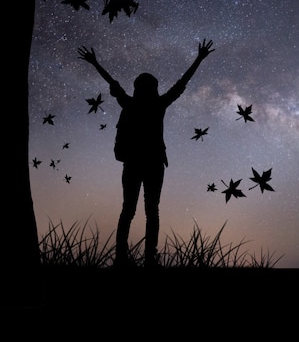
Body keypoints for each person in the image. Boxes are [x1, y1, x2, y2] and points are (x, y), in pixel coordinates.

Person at [78, 39, 215, 267]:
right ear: (153, 89)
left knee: (129, 210)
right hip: (152, 164)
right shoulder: (158, 105)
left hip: (133, 163)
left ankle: (123, 257)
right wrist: (199, 59)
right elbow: (181, 83)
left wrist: (95, 63)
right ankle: (149, 257)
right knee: (151, 211)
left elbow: (113, 83)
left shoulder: (129, 104)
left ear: (137, 88)